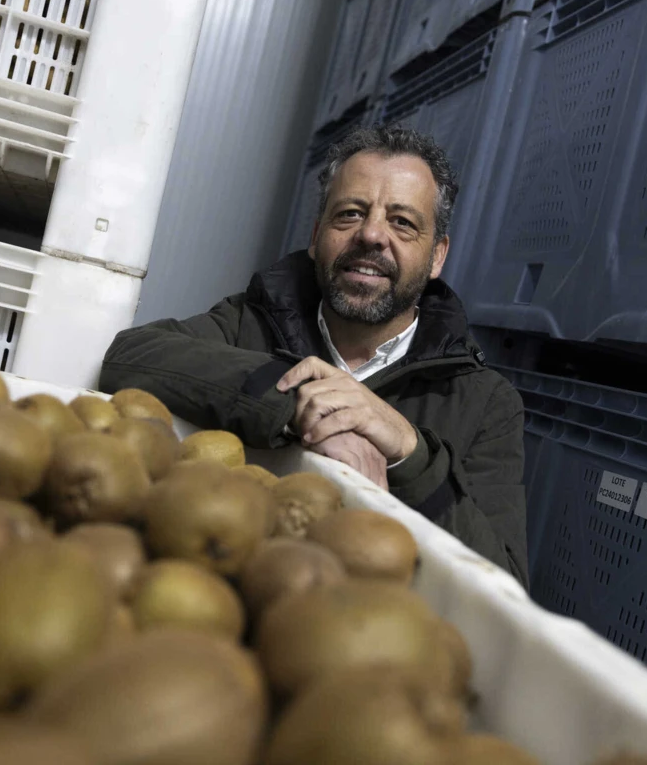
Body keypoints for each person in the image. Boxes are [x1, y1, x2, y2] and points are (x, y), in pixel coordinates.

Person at [100, 126, 527, 584]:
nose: (372, 235)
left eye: (402, 222)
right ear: (317, 233)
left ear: (437, 256)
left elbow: (503, 580)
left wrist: (409, 451)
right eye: (350, 213)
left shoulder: (484, 403)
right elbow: (130, 355)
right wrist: (298, 403)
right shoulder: (252, 322)